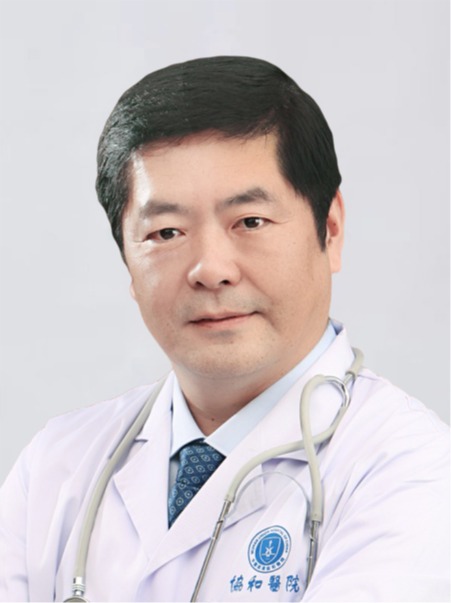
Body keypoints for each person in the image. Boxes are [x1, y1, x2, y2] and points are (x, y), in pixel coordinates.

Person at [0, 56, 449, 603]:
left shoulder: (410, 468)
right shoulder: (57, 465)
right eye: (167, 232)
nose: (210, 269)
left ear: (329, 230)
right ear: (127, 262)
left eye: (250, 222)